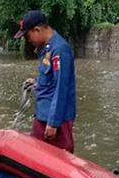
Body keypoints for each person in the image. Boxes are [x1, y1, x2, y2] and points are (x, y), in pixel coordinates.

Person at [15, 10, 76, 153]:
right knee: (35, 156)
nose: (27, 41)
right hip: (42, 115)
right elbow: (50, 80)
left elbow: (62, 88)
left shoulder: (60, 50)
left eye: (28, 36)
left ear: (37, 30)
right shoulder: (47, 49)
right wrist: (36, 83)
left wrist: (53, 122)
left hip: (55, 119)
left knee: (60, 161)